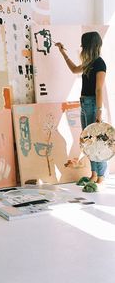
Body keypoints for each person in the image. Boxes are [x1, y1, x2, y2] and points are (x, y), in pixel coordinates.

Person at [55, 31, 107, 190]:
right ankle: (93, 174)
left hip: (92, 104)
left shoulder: (99, 63)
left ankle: (101, 176)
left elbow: (99, 89)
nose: (81, 47)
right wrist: (63, 53)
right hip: (84, 103)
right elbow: (74, 69)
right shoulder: (90, 62)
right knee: (87, 142)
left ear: (90, 45)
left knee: (96, 142)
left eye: (84, 44)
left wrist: (99, 111)